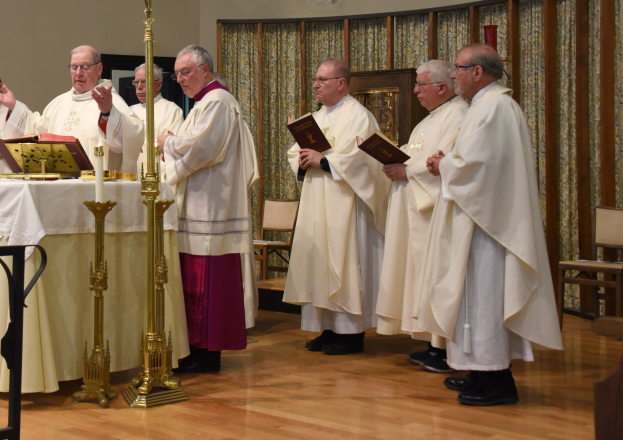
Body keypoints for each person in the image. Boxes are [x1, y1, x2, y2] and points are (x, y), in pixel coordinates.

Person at [415, 44, 563, 406]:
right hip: (476, 218)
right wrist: (449, 162)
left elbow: (481, 166)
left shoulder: (496, 107)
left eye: (459, 69)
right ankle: (480, 371)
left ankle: (497, 381)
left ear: (477, 72)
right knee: (473, 301)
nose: (453, 75)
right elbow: (474, 160)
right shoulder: (484, 107)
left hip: (488, 227)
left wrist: (445, 165)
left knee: (485, 300)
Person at [157, 45, 259, 374]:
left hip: (212, 206)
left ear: (205, 70)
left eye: (186, 72)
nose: (181, 79)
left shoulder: (218, 101)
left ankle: (207, 352)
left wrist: (168, 143)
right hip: (200, 203)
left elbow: (203, 147)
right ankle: (197, 349)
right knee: (194, 279)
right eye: (177, 74)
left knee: (208, 281)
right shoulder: (205, 102)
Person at [282, 59, 391, 355]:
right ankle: (328, 328)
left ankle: (351, 334)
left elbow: (364, 158)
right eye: (315, 79)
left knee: (344, 263)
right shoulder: (315, 116)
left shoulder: (359, 116)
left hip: (346, 202)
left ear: (341, 83)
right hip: (318, 199)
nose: (315, 85)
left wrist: (326, 161)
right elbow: (295, 151)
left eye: (322, 80)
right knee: (319, 264)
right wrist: (303, 159)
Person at [374, 60, 468, 372]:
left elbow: (444, 162)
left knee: (434, 278)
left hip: (434, 213)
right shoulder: (429, 119)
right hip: (415, 209)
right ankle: (432, 343)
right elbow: (419, 153)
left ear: (442, 87)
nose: (415, 91)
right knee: (419, 278)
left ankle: (443, 348)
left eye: (421, 85)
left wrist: (406, 170)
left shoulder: (457, 115)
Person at [31, 46, 143, 174]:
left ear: (99, 69)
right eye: (74, 67)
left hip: (94, 188)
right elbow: (37, 132)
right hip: (59, 186)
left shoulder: (113, 102)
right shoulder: (57, 104)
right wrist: (14, 108)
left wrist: (108, 113)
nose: (78, 73)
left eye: (85, 67)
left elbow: (131, 139)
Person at [130, 62, 183, 181]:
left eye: (144, 82)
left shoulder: (171, 110)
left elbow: (171, 148)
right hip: (133, 177)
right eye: (136, 82)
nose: (139, 87)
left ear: (158, 85)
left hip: (159, 179)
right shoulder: (130, 111)